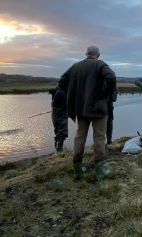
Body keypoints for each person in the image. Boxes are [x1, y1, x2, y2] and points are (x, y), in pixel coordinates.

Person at [58, 45, 116, 181]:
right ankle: (100, 171)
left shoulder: (76, 66)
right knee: (99, 138)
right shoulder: (100, 65)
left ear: (86, 54)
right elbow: (112, 77)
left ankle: (78, 171)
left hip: (81, 109)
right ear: (98, 55)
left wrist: (72, 95)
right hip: (98, 109)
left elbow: (62, 81)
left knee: (80, 136)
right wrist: (106, 94)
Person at [48, 87, 68, 153]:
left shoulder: (59, 91)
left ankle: (58, 147)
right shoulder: (61, 93)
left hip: (56, 109)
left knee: (58, 129)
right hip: (59, 110)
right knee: (61, 129)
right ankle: (59, 150)